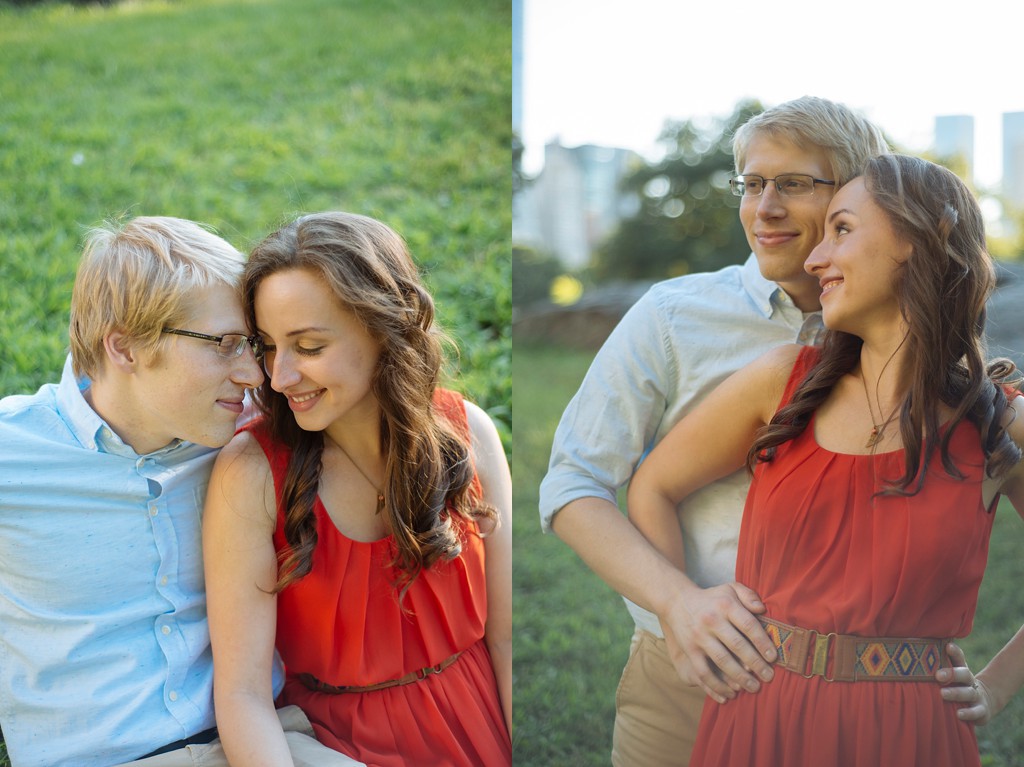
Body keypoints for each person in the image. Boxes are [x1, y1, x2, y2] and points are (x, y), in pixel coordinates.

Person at [538, 96, 984, 766]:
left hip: (868, 700)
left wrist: (983, 682)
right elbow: (575, 481)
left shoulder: (940, 379)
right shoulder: (673, 315)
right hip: (688, 668)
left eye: (794, 184)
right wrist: (679, 608)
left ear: (867, 192)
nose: (763, 206)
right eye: (750, 183)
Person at [629, 153, 1024, 765]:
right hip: (759, 721)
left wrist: (997, 688)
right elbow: (651, 486)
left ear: (920, 240)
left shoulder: (997, 422)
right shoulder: (782, 384)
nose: (814, 261)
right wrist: (682, 608)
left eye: (841, 230)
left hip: (913, 738)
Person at [0, 216, 363, 766]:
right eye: (225, 345)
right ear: (125, 348)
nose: (256, 375)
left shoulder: (257, 435)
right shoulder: (13, 456)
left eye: (252, 345)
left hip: (266, 737)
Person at [203, 211, 512, 766]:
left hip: (482, 720)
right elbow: (242, 694)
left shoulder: (469, 433)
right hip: (339, 747)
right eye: (268, 346)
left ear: (382, 327)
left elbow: (509, 642)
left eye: (309, 346)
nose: (279, 377)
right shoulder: (251, 474)